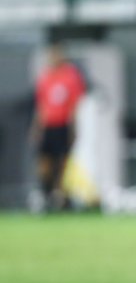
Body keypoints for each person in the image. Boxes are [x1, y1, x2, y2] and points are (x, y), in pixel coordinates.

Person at [30, 43, 86, 211]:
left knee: (62, 163)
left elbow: (75, 105)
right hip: (48, 126)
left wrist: (74, 127)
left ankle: (61, 196)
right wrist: (36, 128)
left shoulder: (71, 76)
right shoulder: (45, 77)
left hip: (63, 125)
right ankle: (46, 194)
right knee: (44, 163)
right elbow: (41, 106)